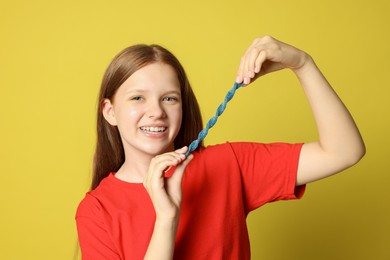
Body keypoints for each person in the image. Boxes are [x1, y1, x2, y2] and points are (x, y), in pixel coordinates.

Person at [75, 36, 365, 259]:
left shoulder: (227, 164)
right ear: (109, 111)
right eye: (138, 98)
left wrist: (302, 64)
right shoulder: (96, 211)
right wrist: (167, 219)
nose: (156, 112)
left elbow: (344, 151)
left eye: (170, 98)